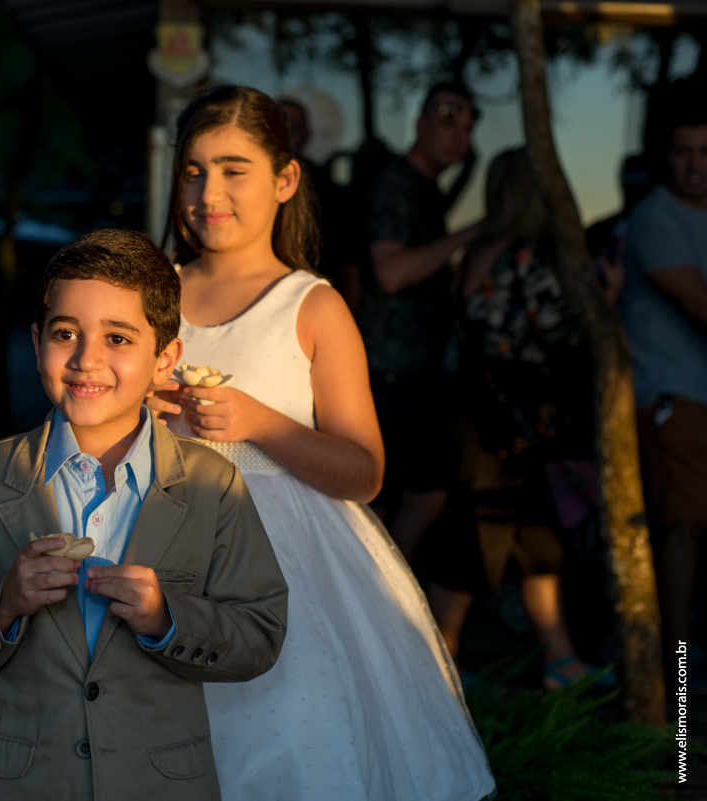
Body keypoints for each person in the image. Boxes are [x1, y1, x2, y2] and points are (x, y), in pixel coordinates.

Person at [147, 84, 495, 801]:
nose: (209, 190)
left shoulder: (313, 305)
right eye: (193, 169)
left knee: (282, 738)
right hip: (157, 538)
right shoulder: (153, 295)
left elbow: (364, 470)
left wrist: (258, 420)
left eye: (234, 168)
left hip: (283, 564)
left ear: (285, 179)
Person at [0, 229, 289, 799]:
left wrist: (169, 618)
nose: (87, 358)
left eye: (118, 337)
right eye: (66, 333)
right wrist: (6, 599)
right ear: (37, 340)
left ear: (165, 360)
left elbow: (260, 635)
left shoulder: (213, 485)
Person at [431, 148, 613, 690]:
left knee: (535, 537)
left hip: (478, 415)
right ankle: (441, 666)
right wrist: (606, 299)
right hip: (507, 421)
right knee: (474, 539)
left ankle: (559, 658)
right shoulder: (528, 257)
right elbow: (562, 334)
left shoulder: (478, 254)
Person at [360, 81, 483, 563]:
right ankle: (376, 600)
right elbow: (391, 273)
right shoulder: (395, 183)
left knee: (431, 485)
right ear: (420, 125)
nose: (460, 136)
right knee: (382, 500)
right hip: (387, 369)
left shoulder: (427, 191)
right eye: (449, 122)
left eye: (468, 128)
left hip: (420, 372)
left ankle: (391, 586)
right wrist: (474, 233)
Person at [619, 110, 707, 681]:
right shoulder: (655, 219)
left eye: (705, 151)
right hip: (673, 395)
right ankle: (671, 675)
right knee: (684, 529)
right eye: (683, 151)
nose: (695, 163)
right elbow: (698, 304)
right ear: (665, 157)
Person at [277, 96, 361, 309]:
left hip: (314, 306)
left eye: (292, 126)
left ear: (306, 135)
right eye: (276, 125)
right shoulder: (245, 188)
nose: (283, 133)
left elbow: (350, 268)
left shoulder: (329, 192)